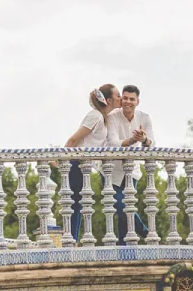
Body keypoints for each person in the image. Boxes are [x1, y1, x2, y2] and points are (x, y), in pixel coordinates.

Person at [64, 84, 122, 242]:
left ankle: (72, 240)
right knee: (75, 203)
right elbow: (74, 138)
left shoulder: (104, 118)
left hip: (86, 167)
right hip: (77, 163)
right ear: (109, 100)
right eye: (118, 95)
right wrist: (61, 158)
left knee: (79, 203)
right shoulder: (95, 116)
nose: (121, 98)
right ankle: (70, 241)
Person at [107, 84, 155, 243]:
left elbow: (152, 144)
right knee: (120, 206)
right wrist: (131, 140)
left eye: (131, 99)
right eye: (125, 98)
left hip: (131, 171)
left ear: (137, 101)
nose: (128, 102)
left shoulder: (144, 117)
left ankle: (124, 250)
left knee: (124, 215)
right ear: (121, 98)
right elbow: (113, 142)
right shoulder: (113, 116)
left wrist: (144, 140)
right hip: (111, 170)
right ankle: (147, 233)